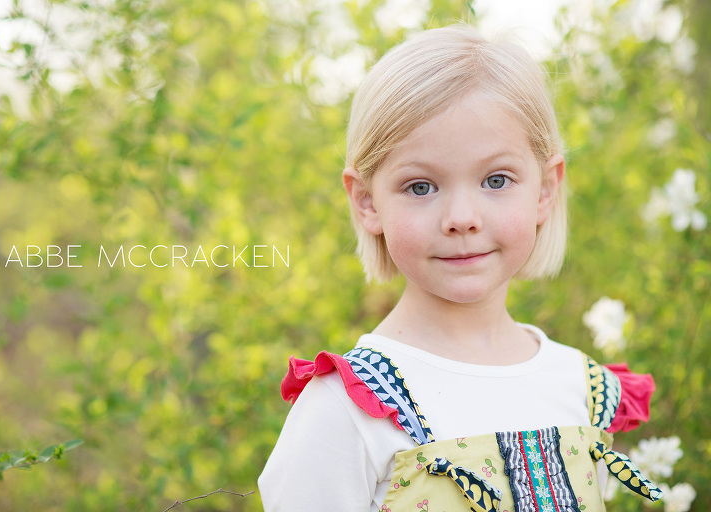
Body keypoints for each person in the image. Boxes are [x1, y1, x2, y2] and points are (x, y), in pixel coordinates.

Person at [258, 24, 661, 512]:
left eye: (496, 179)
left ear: (545, 189)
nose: (462, 219)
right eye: (421, 187)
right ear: (367, 202)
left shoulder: (582, 388)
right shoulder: (344, 410)